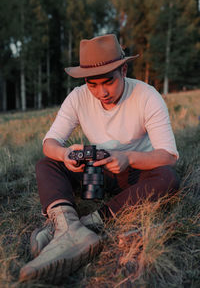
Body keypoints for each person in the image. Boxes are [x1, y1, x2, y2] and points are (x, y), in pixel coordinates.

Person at [19, 34, 179, 283]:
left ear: (123, 70)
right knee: (47, 164)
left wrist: (127, 157)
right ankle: (66, 226)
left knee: (167, 177)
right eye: (92, 85)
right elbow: (49, 144)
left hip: (134, 170)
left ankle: (90, 223)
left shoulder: (147, 96)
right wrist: (65, 154)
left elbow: (167, 156)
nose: (101, 92)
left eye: (108, 82)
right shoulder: (78, 97)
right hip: (95, 170)